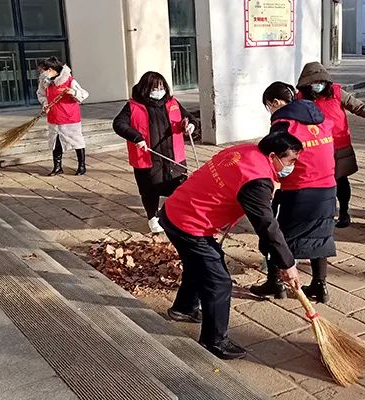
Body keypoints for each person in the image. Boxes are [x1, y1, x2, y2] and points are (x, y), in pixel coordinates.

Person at [158, 131, 302, 360]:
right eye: (291, 160)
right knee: (218, 282)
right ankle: (214, 341)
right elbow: (267, 226)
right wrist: (288, 263)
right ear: (273, 156)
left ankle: (183, 309)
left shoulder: (245, 150)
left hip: (176, 210)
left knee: (198, 265)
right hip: (190, 224)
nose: (293, 166)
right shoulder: (257, 180)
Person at [250, 82, 336, 304]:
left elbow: (271, 156)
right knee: (320, 234)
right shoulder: (320, 118)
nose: (270, 110)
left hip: (299, 189)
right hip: (327, 186)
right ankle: (320, 285)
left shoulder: (283, 124)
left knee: (275, 235)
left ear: (275, 102)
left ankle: (275, 283)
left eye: (269, 105)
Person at [296, 62, 365, 228]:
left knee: (341, 179)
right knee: (319, 182)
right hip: (314, 147)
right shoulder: (299, 98)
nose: (318, 85)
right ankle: (323, 213)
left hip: (339, 145)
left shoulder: (336, 92)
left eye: (321, 82)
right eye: (313, 83)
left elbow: (359, 107)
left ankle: (344, 212)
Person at [113, 71, 198, 233]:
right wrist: (136, 138)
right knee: (149, 190)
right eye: (154, 88)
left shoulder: (172, 103)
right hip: (148, 156)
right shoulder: (133, 106)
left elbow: (189, 118)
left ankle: (178, 215)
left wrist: (190, 125)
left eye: (161, 88)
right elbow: (119, 124)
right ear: (145, 89)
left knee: (180, 187)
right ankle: (152, 217)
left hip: (173, 156)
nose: (159, 91)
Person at [37, 57, 89, 176]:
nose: (41, 73)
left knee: (77, 141)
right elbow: (41, 94)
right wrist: (45, 103)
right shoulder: (45, 82)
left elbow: (84, 94)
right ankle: (57, 167)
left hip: (69, 117)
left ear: (50, 69)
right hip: (54, 116)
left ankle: (81, 166)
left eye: (42, 70)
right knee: (55, 142)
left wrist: (73, 92)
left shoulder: (69, 80)